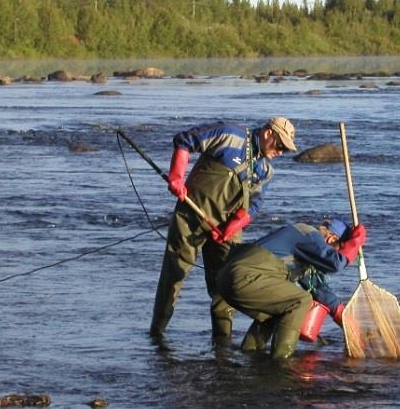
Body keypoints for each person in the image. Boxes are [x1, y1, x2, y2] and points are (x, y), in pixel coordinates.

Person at [150, 116, 298, 345]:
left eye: (285, 150)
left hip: (224, 229)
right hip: (190, 216)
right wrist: (177, 177)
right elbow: (185, 140)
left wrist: (234, 226)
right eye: (280, 145)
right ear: (269, 133)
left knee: (224, 286)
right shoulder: (229, 134)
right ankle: (156, 335)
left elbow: (254, 205)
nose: (281, 151)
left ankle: (222, 343)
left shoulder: (266, 171)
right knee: (174, 275)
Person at [215, 218, 367, 360]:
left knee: (275, 312)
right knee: (301, 301)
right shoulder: (309, 235)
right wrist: (355, 242)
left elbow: (321, 291)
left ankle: (249, 354)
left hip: (227, 279)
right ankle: (282, 363)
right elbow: (336, 263)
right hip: (244, 276)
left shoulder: (304, 249)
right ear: (331, 239)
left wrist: (351, 327)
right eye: (338, 248)